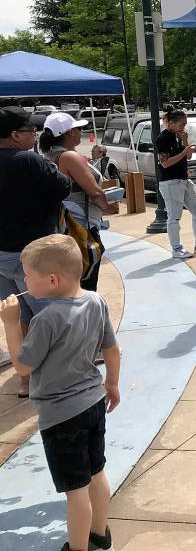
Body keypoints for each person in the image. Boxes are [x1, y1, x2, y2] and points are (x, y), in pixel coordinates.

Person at [0, 234, 120, 551]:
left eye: (27, 275)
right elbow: (111, 348)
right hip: (93, 403)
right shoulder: (95, 301)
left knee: (75, 489)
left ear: (52, 279)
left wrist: (11, 325)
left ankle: (78, 548)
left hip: (61, 417)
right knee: (96, 472)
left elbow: (24, 367)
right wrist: (113, 384)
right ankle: (100, 533)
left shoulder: (46, 319)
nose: (23, 280)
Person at [0, 106, 72, 399]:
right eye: (31, 130)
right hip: (34, 254)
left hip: (1, 255)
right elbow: (63, 187)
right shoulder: (29, 161)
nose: (35, 135)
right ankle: (58, 377)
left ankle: (26, 379)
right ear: (16, 135)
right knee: (52, 316)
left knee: (18, 318)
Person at [40, 112, 117, 290]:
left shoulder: (50, 155)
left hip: (62, 222)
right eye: (77, 128)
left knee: (69, 278)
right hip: (80, 223)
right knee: (85, 277)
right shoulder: (69, 157)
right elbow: (95, 192)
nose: (81, 132)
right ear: (69, 133)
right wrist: (108, 207)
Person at [157, 107, 196, 260]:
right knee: (174, 216)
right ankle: (176, 248)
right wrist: (184, 152)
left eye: (185, 124)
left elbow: (188, 157)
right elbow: (164, 163)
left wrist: (185, 141)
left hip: (184, 179)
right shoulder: (163, 138)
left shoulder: (179, 136)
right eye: (181, 124)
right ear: (170, 123)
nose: (183, 127)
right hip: (170, 181)